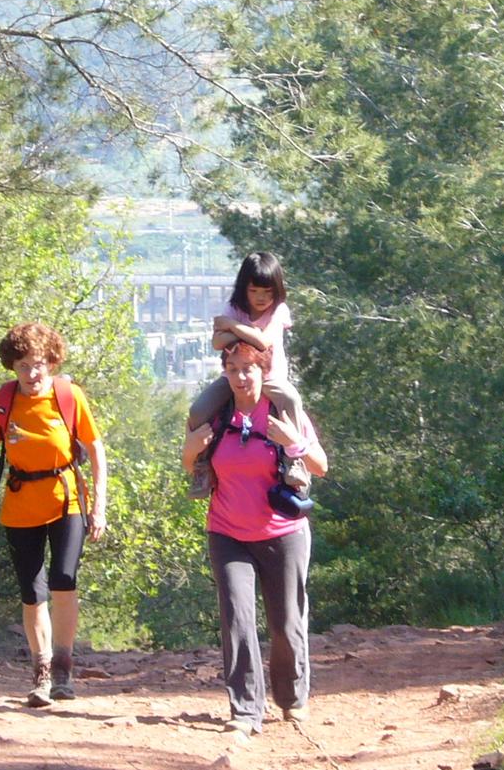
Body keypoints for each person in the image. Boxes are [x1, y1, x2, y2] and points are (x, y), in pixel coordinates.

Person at [0, 322, 107, 707]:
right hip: (21, 504)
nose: (32, 373)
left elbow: (95, 450)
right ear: (12, 366)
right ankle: (42, 672)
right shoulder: (2, 402)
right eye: (23, 365)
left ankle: (63, 669)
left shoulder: (68, 397)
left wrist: (99, 506)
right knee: (32, 590)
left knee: (64, 580)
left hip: (66, 500)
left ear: (51, 362)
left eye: (38, 364)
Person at [181, 340, 328, 736]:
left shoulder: (282, 412)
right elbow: (192, 465)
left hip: (283, 533)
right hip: (227, 531)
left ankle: (292, 698)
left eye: (248, 368)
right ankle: (245, 710)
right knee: (237, 619)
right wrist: (189, 451)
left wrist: (292, 442)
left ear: (264, 371)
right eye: (233, 369)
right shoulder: (217, 416)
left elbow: (321, 466)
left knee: (286, 622)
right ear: (224, 373)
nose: (241, 377)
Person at [187, 251, 309, 497]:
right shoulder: (234, 308)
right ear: (244, 289)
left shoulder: (278, 311)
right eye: (254, 291)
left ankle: (294, 461)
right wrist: (246, 332)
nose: (261, 298)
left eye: (267, 292)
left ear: (277, 290)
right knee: (198, 410)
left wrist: (232, 326)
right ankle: (203, 466)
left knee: (291, 400)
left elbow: (263, 342)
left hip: (270, 377)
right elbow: (217, 342)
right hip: (233, 374)